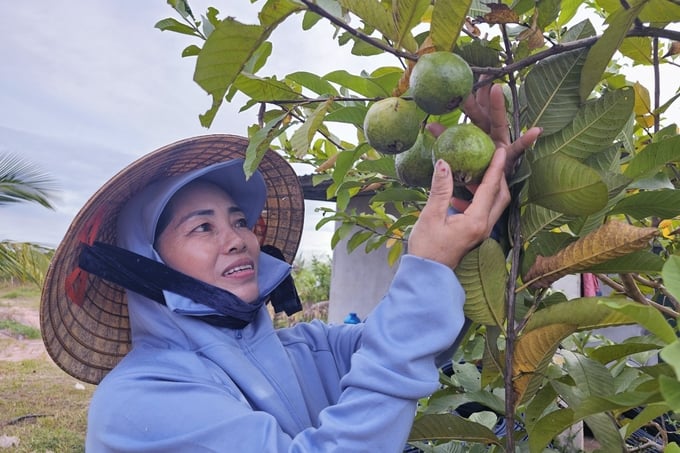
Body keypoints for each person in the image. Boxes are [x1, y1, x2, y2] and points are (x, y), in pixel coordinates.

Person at [40, 83, 540, 452]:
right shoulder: (139, 401)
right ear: (144, 264)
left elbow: (415, 341)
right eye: (202, 227)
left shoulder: (304, 349)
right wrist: (424, 263)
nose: (237, 238)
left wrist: (470, 208)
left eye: (238, 220)